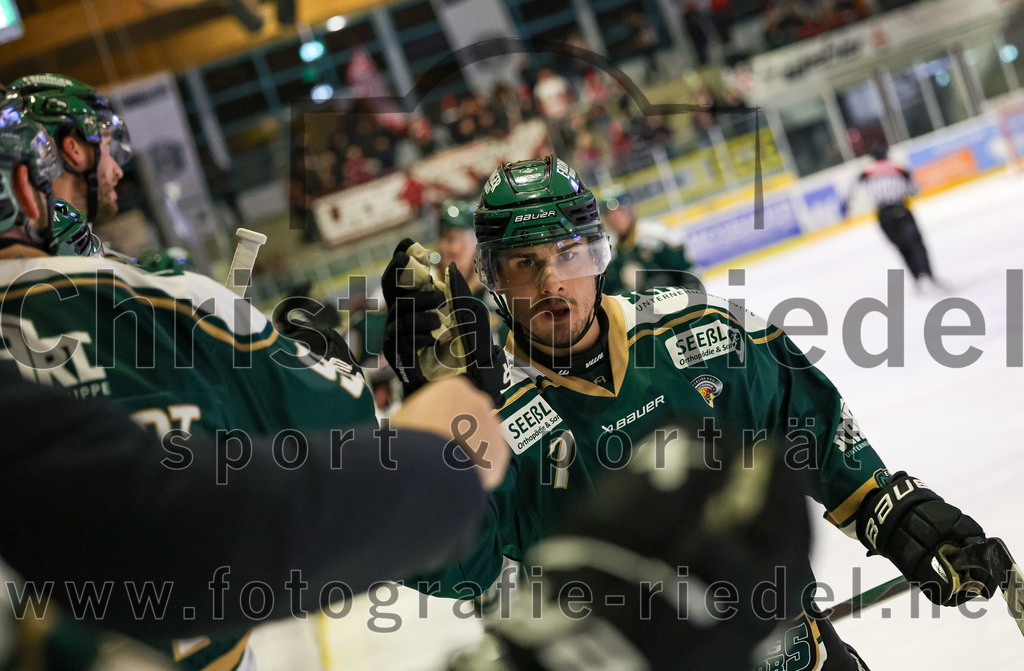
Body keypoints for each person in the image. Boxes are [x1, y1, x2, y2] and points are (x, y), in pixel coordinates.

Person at [384, 156, 1002, 670]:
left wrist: (892, 514)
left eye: (568, 253)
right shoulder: (487, 415)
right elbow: (452, 560)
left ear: (596, 254)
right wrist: (436, 447)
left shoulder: (702, 327)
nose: (553, 282)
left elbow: (807, 426)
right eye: (526, 264)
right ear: (493, 278)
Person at [0, 91, 509, 670]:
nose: (117, 169)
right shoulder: (159, 297)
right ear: (27, 190)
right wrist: (428, 462)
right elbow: (337, 413)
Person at [6, 74, 132, 227]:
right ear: (74, 149)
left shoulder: (33, 242)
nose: (119, 171)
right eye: (106, 145)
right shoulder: (41, 249)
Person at [840, 143, 943, 292]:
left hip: (884, 215)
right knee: (916, 244)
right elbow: (915, 189)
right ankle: (928, 275)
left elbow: (850, 189)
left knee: (901, 247)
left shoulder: (867, 172)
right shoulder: (898, 169)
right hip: (901, 210)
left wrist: (846, 210)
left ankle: (917, 278)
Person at [598, 187, 699, 294]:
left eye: (620, 211)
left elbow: (687, 273)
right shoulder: (609, 252)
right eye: (610, 214)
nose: (616, 217)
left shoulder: (655, 235)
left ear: (631, 210)